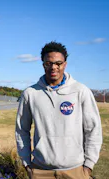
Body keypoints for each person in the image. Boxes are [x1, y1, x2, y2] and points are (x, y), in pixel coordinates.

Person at [15, 41, 102, 179]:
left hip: (75, 171)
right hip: (40, 171)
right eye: (48, 63)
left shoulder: (80, 91)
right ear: (43, 64)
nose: (53, 67)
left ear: (65, 64)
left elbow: (93, 129)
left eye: (58, 63)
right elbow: (22, 130)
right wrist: (26, 163)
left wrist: (88, 166)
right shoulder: (30, 93)